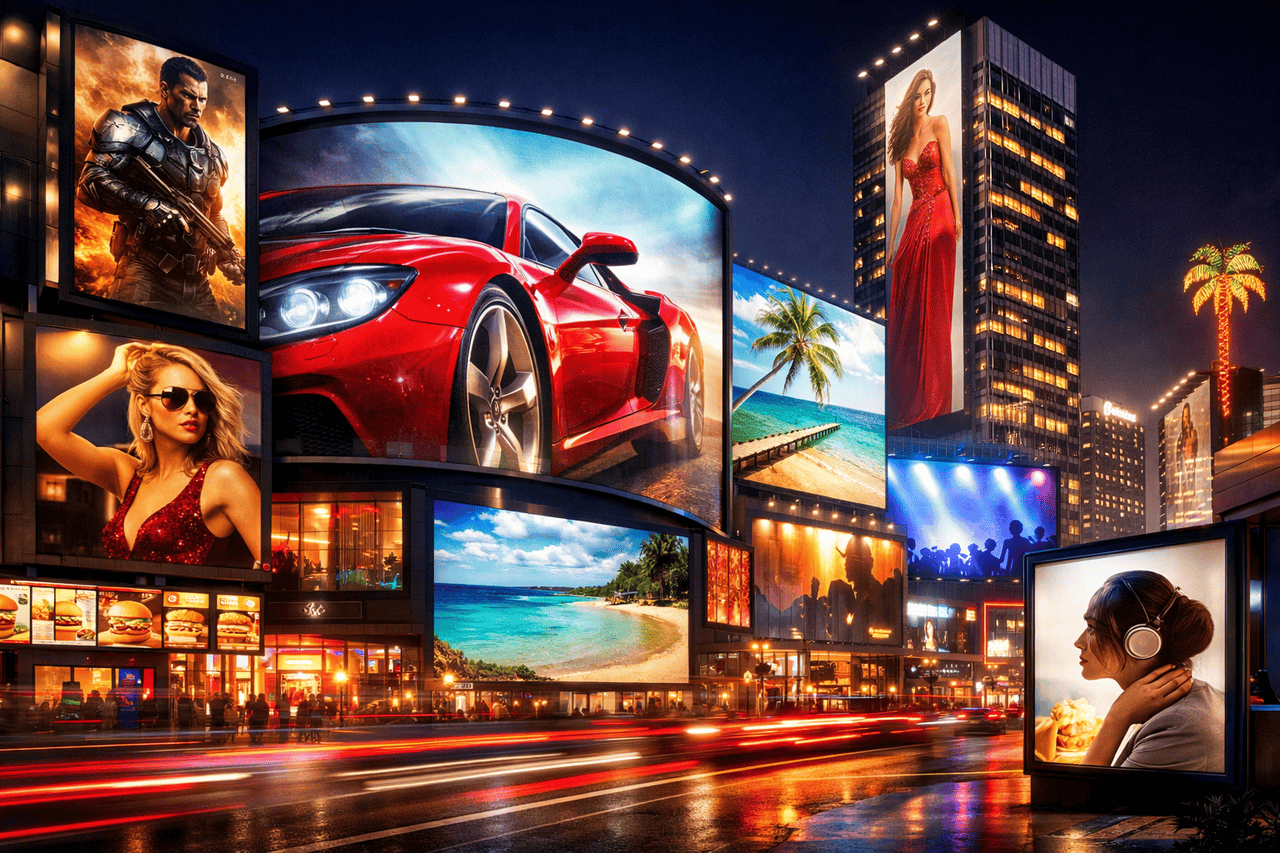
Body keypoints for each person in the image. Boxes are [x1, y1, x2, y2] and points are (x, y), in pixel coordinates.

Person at [36, 342, 261, 567]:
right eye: (175, 397)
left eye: (202, 400)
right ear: (144, 405)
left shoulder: (224, 477)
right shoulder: (127, 475)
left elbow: (272, 566)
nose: (192, 409)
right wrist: (114, 375)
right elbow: (44, 428)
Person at [76, 55, 243, 322]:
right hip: (145, 272)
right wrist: (146, 204)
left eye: (202, 99)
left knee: (214, 348)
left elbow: (214, 213)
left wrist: (226, 255)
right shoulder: (128, 128)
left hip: (198, 285)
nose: (197, 106)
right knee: (129, 342)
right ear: (164, 90)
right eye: (188, 96)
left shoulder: (212, 154)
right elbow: (89, 183)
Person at [1073, 570, 1223, 772]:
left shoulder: (1178, 728)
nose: (1079, 642)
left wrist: (1116, 718)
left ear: (1141, 641)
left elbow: (1083, 792)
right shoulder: (1166, 708)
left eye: (1092, 628)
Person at [884, 68, 960, 430]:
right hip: (915, 217)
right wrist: (891, 246)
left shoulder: (939, 123)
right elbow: (898, 201)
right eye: (917, 95)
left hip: (941, 209)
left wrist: (958, 217)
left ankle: (933, 400)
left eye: (927, 93)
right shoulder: (901, 146)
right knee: (909, 300)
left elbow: (950, 171)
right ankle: (908, 397)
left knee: (934, 304)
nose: (923, 101)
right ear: (910, 99)